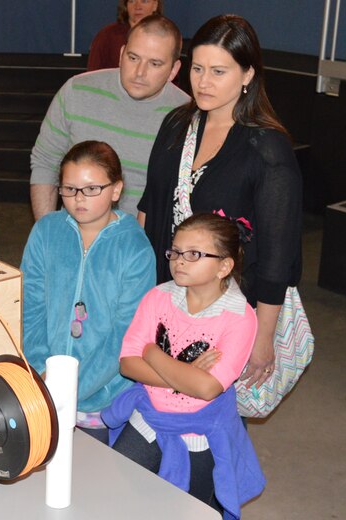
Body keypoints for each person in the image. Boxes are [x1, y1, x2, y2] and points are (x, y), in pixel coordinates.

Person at [137, 15, 303, 390]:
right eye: (197, 68)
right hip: (169, 296)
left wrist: (262, 338)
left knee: (209, 413)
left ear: (247, 75)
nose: (203, 82)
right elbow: (150, 206)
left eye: (218, 71)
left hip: (229, 312)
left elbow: (278, 257)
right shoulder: (177, 125)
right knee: (157, 398)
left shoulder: (267, 148)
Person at [103, 212, 265, 517]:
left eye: (194, 254)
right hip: (149, 417)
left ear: (224, 266)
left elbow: (206, 389)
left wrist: (152, 353)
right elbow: (127, 364)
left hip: (200, 435)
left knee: (189, 510)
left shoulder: (240, 317)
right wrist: (186, 373)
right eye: (175, 252)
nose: (179, 260)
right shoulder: (157, 297)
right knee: (117, 494)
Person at [21, 140, 155, 442]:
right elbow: (30, 306)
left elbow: (127, 331)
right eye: (69, 189)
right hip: (45, 386)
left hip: (103, 396)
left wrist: (74, 387)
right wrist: (43, 372)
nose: (79, 199)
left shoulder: (134, 247)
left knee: (92, 478)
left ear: (117, 190)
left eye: (92, 189)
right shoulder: (46, 231)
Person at [31, 14, 189, 220]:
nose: (140, 72)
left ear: (173, 70)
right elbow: (46, 163)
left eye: (155, 64)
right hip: (74, 234)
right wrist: (47, 233)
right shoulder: (76, 91)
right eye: (133, 58)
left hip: (144, 245)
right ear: (121, 54)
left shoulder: (186, 115)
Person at [87, 0, 162, 71]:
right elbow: (92, 76)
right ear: (126, 5)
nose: (137, 7)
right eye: (132, 1)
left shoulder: (165, 37)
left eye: (144, 1)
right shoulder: (107, 36)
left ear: (155, 5)